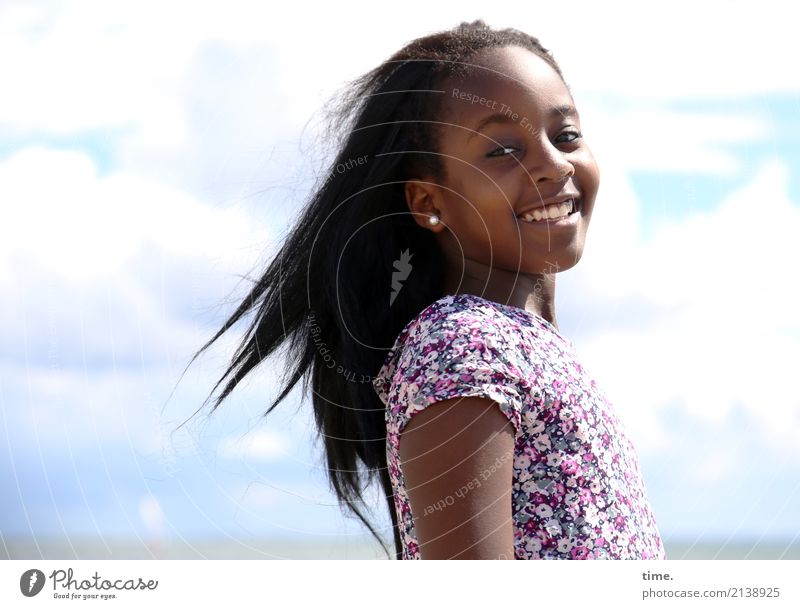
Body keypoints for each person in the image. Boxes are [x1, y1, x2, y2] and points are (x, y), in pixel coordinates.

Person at [185, 19, 666, 560]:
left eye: (566, 135)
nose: (554, 165)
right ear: (429, 202)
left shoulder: (520, 348)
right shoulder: (464, 347)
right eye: (501, 151)